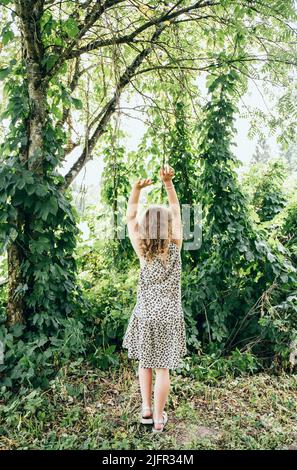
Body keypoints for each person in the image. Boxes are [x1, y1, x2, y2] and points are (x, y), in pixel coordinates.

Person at [122, 165, 187, 433]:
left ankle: (146, 411)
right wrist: (168, 184)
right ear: (169, 225)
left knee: (145, 362)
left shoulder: (142, 249)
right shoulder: (176, 245)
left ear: (146, 227)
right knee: (163, 369)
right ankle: (159, 420)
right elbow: (177, 212)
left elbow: (129, 217)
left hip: (146, 315)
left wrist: (136, 190)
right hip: (169, 316)